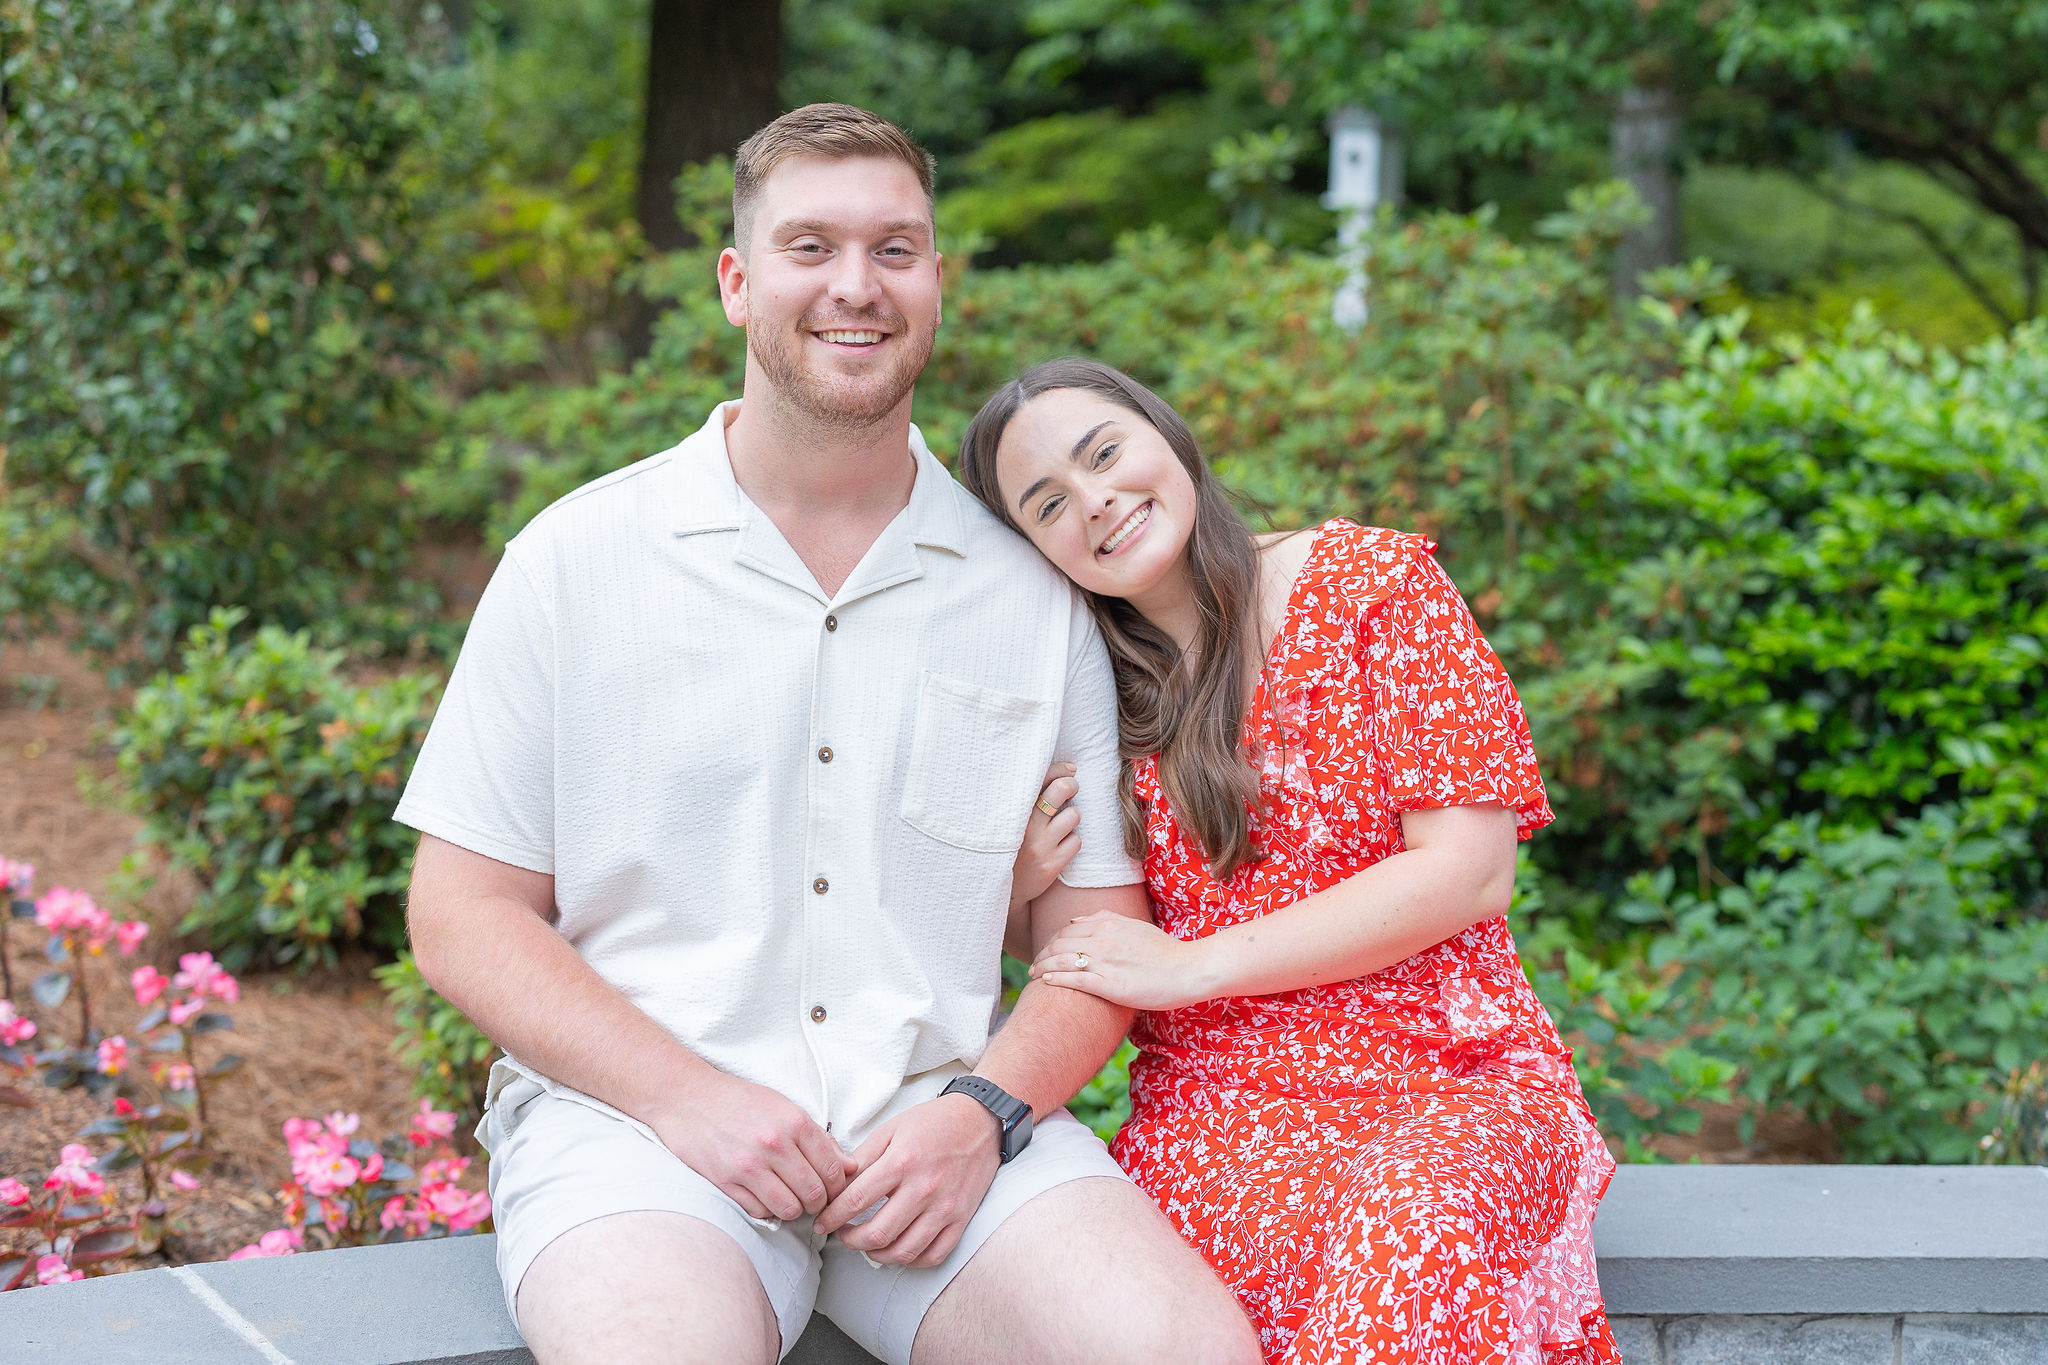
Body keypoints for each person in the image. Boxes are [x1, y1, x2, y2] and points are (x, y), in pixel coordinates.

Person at [397, 107, 1261, 1365]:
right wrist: (687, 1101)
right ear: (738, 284)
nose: (855, 286)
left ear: (936, 284)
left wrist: (982, 1112)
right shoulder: (577, 560)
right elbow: (460, 913)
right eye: (810, 246)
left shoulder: (1028, 589)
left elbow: (1095, 933)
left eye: (894, 249)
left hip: (938, 1129)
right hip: (641, 1134)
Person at [957, 357, 1622, 1365]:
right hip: (1214, 1110)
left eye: (1103, 454)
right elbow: (1094, 953)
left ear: (1165, 434)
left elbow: (1469, 869)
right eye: (1047, 503)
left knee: (1410, 1237)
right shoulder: (1091, 704)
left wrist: (1197, 966)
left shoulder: (1373, 588)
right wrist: (1014, 898)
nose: (1094, 503)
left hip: (1450, 1081)